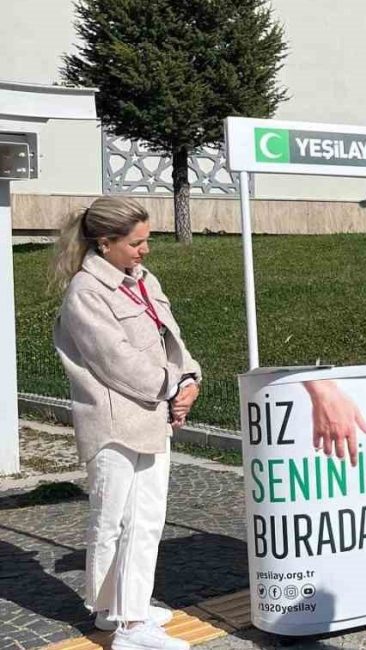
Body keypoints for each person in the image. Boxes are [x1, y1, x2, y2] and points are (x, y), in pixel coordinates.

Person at [52, 197, 201, 650]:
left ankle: (120, 608)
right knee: (114, 520)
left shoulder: (143, 280)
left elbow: (171, 338)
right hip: (114, 424)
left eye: (146, 240)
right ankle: (129, 625)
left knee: (146, 519)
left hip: (151, 416)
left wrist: (189, 379)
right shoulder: (86, 293)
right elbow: (117, 362)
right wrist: (173, 387)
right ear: (105, 242)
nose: (145, 250)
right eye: (136, 243)